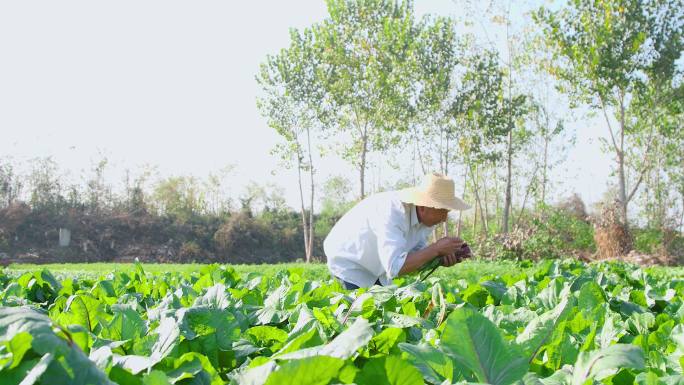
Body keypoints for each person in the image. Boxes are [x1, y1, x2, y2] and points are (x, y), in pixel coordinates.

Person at [324, 173, 472, 289]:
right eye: (442, 211)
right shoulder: (392, 212)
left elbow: (412, 262)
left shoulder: (425, 221)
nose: (445, 218)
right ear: (424, 206)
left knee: (376, 320)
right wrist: (436, 249)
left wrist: (438, 258)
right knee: (356, 320)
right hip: (349, 264)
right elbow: (395, 267)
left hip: (377, 271)